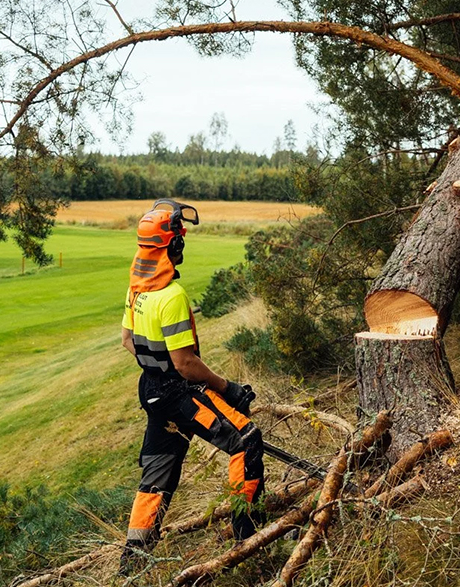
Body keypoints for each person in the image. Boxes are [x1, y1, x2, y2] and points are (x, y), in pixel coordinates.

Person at [119, 199, 264, 576]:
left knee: (158, 473)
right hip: (176, 393)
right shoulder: (172, 295)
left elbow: (128, 341)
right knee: (245, 439)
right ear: (172, 246)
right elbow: (186, 364)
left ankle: (133, 561)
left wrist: (157, 371)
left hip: (151, 390)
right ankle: (246, 535)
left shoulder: (137, 290)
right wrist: (226, 387)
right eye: (179, 240)